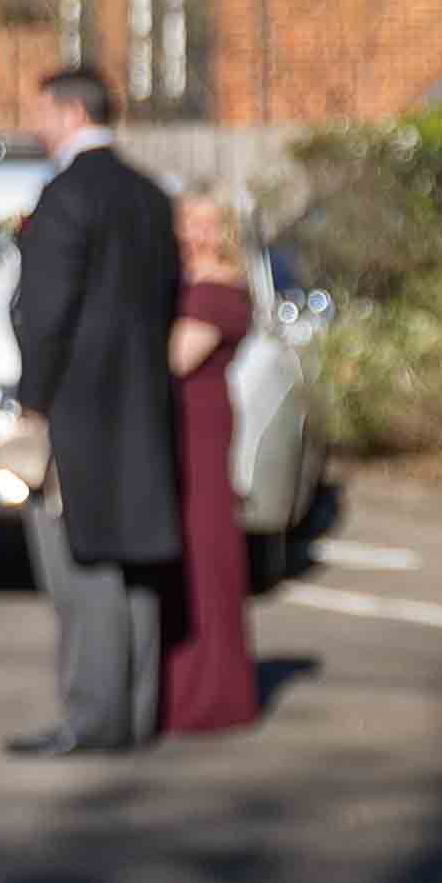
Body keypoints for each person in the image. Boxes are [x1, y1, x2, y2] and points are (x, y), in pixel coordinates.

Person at [0, 66, 179, 758]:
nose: (35, 124)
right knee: (133, 560)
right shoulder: (148, 195)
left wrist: (32, 406)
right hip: (141, 400)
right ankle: (135, 712)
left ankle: (91, 718)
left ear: (72, 112)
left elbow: (45, 315)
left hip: (78, 405)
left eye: (41, 111)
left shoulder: (66, 196)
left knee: (81, 564)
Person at [157, 193, 261, 738]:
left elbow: (175, 357)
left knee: (205, 552)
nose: (195, 233)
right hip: (177, 428)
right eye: (187, 222)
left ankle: (212, 693)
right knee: (183, 553)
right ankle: (180, 687)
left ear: (226, 232)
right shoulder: (185, 278)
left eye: (207, 224)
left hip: (200, 427)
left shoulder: (217, 288)